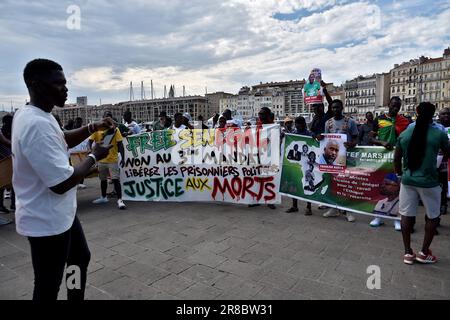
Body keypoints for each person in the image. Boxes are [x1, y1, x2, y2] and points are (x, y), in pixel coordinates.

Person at [13, 59, 113, 300]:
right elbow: (61, 183)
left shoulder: (37, 114)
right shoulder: (35, 124)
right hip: (46, 221)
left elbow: (61, 139)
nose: (65, 89)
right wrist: (94, 156)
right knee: (48, 284)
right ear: (36, 85)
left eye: (65, 83)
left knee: (79, 258)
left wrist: (91, 126)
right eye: (58, 83)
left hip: (60, 214)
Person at [394, 102, 450, 265]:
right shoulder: (438, 133)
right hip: (429, 181)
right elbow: (448, 152)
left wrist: (399, 174)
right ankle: (424, 252)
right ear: (433, 115)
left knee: (406, 215)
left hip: (408, 180)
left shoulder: (405, 133)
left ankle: (407, 253)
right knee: (433, 216)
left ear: (416, 112)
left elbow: (397, 158)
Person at [369, 97, 409, 228]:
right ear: (388, 105)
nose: (395, 108)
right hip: (381, 160)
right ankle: (378, 216)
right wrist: (381, 142)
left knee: (399, 189)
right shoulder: (379, 119)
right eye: (393, 106)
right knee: (381, 187)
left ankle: (397, 218)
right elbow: (370, 138)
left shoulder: (404, 121)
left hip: (399, 160)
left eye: (398, 106)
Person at [320, 99, 359, 222]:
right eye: (333, 107)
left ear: (342, 108)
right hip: (333, 160)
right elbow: (325, 140)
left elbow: (356, 138)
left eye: (337, 107)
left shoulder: (350, 122)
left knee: (346, 184)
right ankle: (334, 208)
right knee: (333, 183)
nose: (335, 109)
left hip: (346, 158)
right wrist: (319, 137)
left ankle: (348, 211)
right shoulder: (328, 123)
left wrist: (352, 144)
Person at [89, 122, 126, 210]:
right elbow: (90, 141)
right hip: (101, 159)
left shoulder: (115, 130)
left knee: (115, 179)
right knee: (103, 180)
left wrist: (123, 158)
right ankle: (103, 197)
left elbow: (120, 144)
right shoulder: (97, 129)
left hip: (112, 159)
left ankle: (120, 200)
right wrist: (91, 152)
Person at [286, 116, 313, 215]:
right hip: (296, 165)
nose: (298, 125)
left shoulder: (309, 134)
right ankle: (294, 206)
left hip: (306, 164)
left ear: (304, 124)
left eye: (299, 123)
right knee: (295, 184)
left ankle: (309, 207)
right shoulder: (293, 134)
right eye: (296, 123)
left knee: (307, 184)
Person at [437, 107, 450, 216]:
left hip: (447, 163)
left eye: (448, 114)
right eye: (443, 114)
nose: (446, 116)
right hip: (436, 163)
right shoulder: (434, 128)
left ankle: (443, 204)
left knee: (444, 186)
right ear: (439, 116)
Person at [1, 114, 14, 213]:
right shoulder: (4, 131)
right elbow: (7, 143)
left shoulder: (6, 130)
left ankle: (11, 205)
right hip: (5, 161)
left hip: (8, 160)